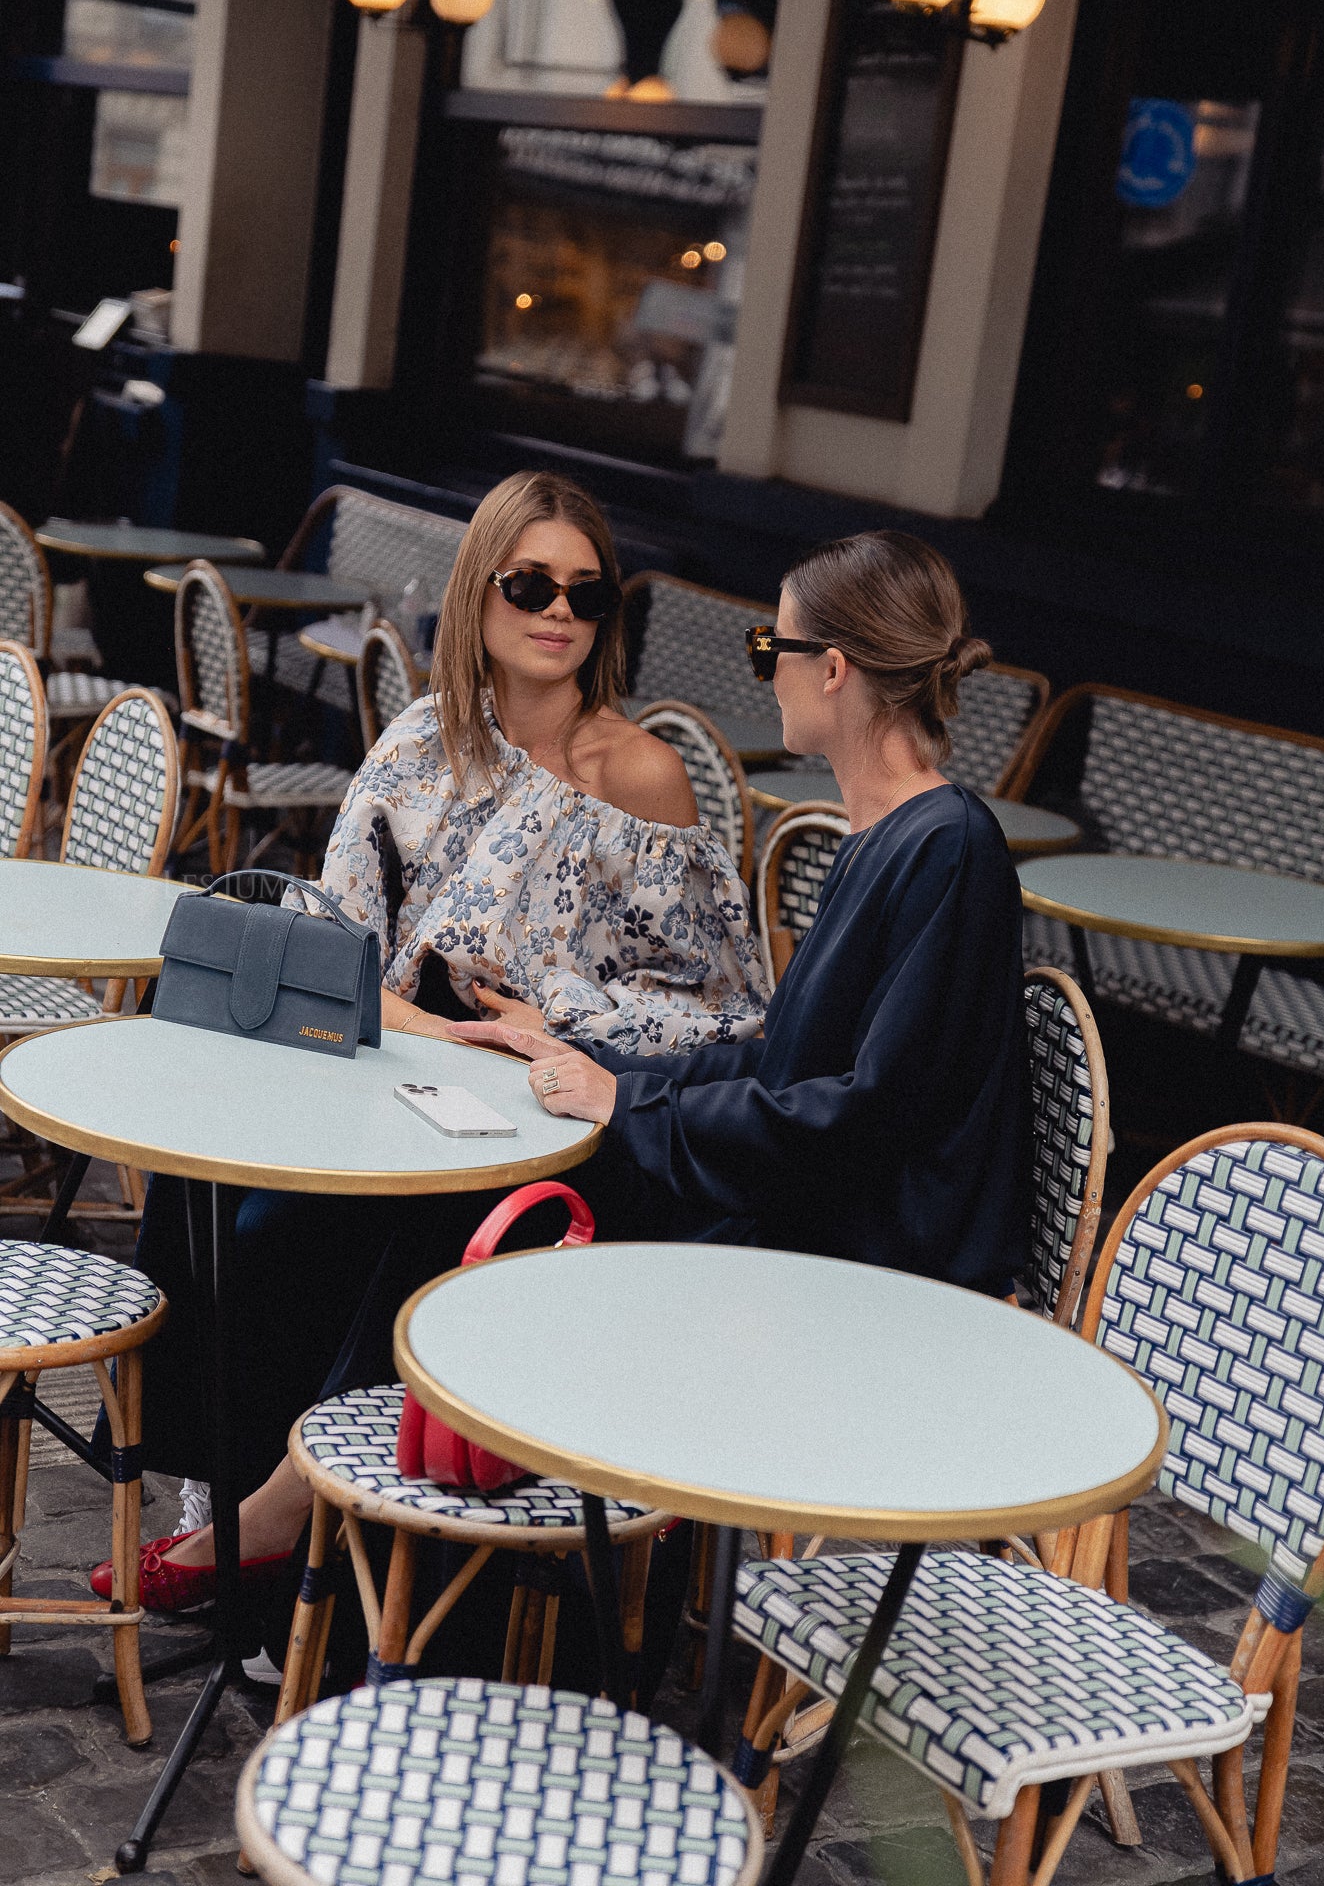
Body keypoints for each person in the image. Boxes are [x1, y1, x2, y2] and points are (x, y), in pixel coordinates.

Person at [106, 526, 1031, 1608]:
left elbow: (863, 1119)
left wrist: (624, 1103)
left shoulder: (944, 847)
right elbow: (782, 1056)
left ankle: (346, 1549)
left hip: (863, 1261)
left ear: (830, 668)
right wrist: (578, 1054)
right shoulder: (892, 837)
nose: (763, 671)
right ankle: (324, 1530)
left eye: (764, 646)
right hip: (806, 1203)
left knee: (506, 1209)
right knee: (440, 1198)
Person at [97, 470, 766, 1608]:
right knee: (237, 1210)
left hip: (546, 1120)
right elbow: (339, 936)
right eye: (529, 584)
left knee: (370, 1240)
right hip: (396, 1077)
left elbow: (723, 1010)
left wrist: (557, 1018)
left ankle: (284, 1528)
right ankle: (239, 1515)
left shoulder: (641, 775)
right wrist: (433, 1028)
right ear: (479, 591)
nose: (558, 612)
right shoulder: (418, 743)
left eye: (586, 594)